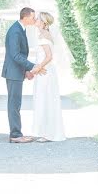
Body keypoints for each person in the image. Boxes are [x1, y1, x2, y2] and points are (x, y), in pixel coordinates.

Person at [1, 7, 46, 143]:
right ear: (25, 17)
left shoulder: (20, 28)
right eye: (33, 17)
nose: (34, 20)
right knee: (14, 104)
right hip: (13, 72)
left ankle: (17, 133)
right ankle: (15, 135)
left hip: (17, 71)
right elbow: (15, 54)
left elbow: (19, 53)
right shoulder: (15, 31)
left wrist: (26, 71)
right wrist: (32, 66)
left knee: (16, 103)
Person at [32, 11, 66, 142]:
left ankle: (48, 133)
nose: (36, 20)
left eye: (38, 19)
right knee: (47, 99)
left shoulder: (43, 36)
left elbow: (49, 56)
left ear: (44, 22)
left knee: (44, 99)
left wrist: (38, 68)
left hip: (44, 72)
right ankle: (49, 131)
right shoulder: (45, 34)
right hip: (47, 71)